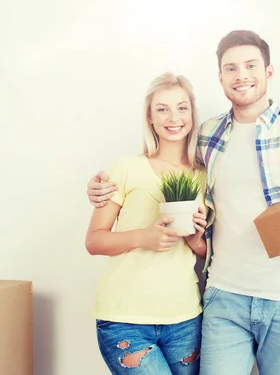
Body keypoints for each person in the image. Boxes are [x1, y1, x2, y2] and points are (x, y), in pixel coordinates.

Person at [87, 30, 280, 375]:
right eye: (231, 68)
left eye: (250, 65)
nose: (241, 75)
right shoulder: (209, 138)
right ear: (220, 77)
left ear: (268, 72)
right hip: (223, 298)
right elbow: (159, 167)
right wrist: (97, 187)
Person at [84, 72, 208, 375]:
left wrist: (195, 242)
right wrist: (144, 237)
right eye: (162, 109)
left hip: (185, 318)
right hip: (124, 320)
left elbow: (208, 252)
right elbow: (94, 241)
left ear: (192, 114)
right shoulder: (126, 168)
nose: (173, 117)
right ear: (150, 117)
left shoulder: (205, 176)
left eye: (181, 107)